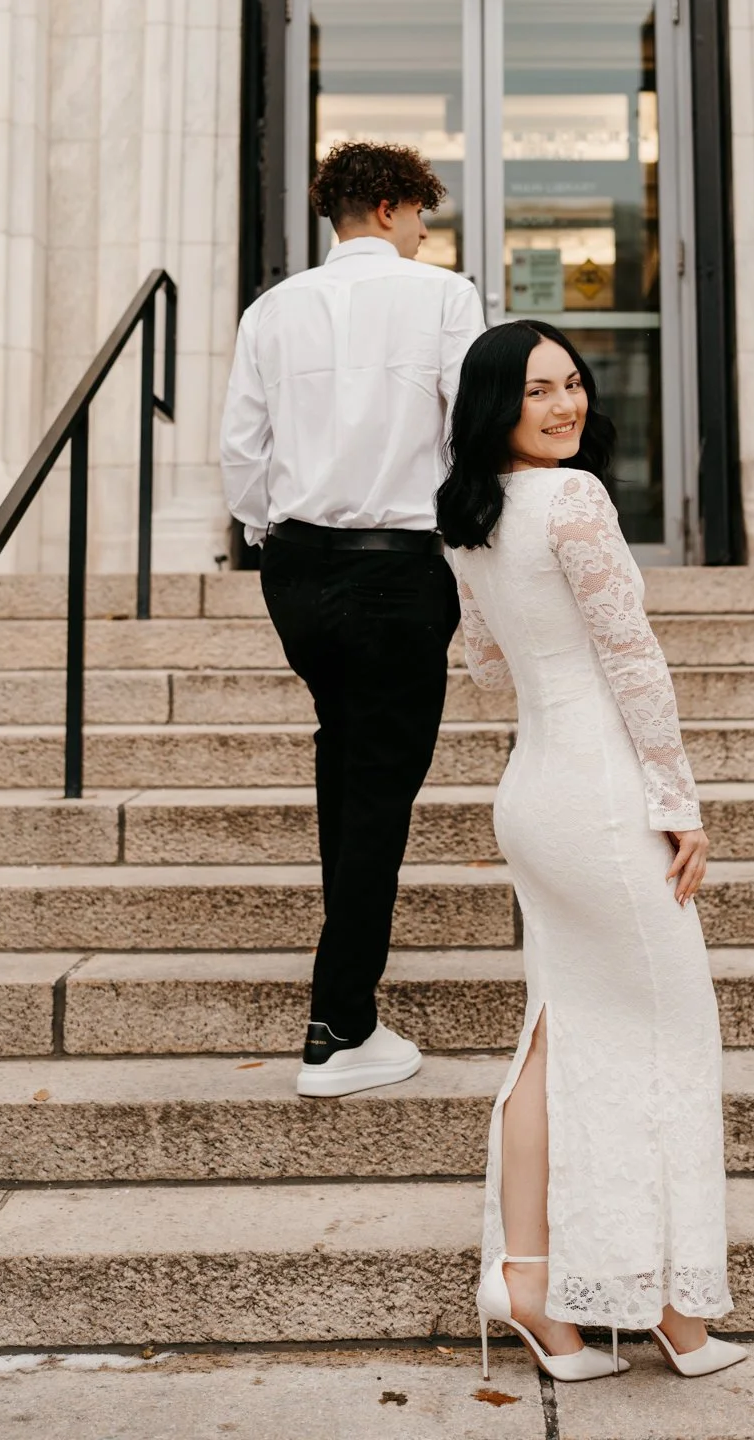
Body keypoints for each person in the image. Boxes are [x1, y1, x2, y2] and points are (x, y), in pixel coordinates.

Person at [437, 321, 742, 1385]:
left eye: (574, 382)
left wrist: (535, 645)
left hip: (535, 788)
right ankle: (663, 1301)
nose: (565, 404)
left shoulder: (469, 515)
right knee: (666, 1031)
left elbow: (478, 664)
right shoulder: (571, 501)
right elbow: (632, 656)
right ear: (496, 406)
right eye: (538, 390)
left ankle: (531, 1279)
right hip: (605, 793)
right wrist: (677, 798)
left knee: (561, 1033)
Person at [221, 141, 485, 1099]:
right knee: (378, 784)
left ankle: (346, 1001)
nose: (423, 229)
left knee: (349, 759)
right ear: (387, 206)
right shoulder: (443, 296)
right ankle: (340, 1025)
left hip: (296, 569)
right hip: (394, 569)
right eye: (419, 211)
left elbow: (240, 448)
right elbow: (470, 428)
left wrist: (270, 538)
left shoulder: (272, 308)